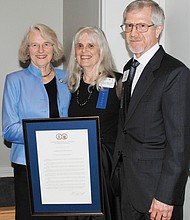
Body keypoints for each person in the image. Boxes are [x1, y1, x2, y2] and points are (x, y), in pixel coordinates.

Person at [111, 0, 190, 220]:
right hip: (128, 186)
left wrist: (166, 196)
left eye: (141, 26)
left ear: (158, 29)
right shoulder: (129, 68)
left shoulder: (175, 73)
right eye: (128, 26)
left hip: (158, 194)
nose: (133, 33)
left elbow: (180, 144)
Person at [2, 23, 71, 220]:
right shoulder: (14, 81)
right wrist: (43, 135)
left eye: (46, 44)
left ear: (54, 48)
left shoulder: (67, 78)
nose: (41, 50)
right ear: (27, 50)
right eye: (34, 45)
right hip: (27, 164)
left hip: (61, 164)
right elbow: (9, 130)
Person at [66, 26, 122, 220]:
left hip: (105, 168)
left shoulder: (118, 83)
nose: (84, 50)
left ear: (101, 50)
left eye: (91, 45)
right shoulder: (71, 84)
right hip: (77, 167)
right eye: (79, 46)